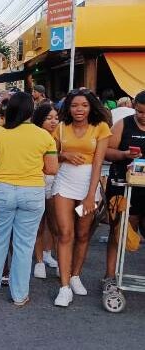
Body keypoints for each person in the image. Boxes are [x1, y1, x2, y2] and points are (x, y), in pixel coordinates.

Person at [0, 92, 58, 306]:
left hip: (3, 190)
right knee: (24, 245)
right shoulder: (44, 136)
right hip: (32, 192)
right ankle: (19, 294)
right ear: (31, 110)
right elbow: (52, 169)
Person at [52, 88, 112, 307]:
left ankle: (75, 275)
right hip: (64, 181)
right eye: (75, 105)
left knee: (83, 233)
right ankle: (64, 287)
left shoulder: (101, 127)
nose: (79, 109)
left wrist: (90, 196)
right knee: (65, 233)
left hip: (89, 183)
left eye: (84, 105)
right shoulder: (60, 127)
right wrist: (64, 155)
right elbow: (50, 155)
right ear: (68, 107)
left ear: (91, 107)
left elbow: (98, 163)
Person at [103, 90, 145, 287]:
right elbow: (107, 151)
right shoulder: (123, 124)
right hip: (122, 183)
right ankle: (110, 276)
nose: (143, 116)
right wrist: (124, 154)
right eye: (140, 112)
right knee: (117, 230)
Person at [31, 103, 61, 279]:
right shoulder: (36, 137)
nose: (53, 121)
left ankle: (49, 254)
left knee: (55, 224)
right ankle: (39, 261)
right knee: (39, 224)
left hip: (57, 184)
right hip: (38, 182)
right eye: (49, 118)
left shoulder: (61, 135)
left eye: (56, 118)